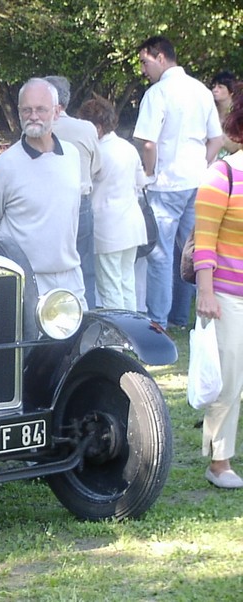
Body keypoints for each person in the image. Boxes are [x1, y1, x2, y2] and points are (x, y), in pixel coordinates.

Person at [132, 36, 224, 330]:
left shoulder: (158, 93)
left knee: (160, 256)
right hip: (197, 181)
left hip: (166, 183)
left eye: (145, 62)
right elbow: (217, 138)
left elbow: (148, 142)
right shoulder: (200, 90)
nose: (144, 70)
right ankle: (184, 318)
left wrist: (149, 173)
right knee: (192, 251)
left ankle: (158, 320)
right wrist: (204, 165)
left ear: (161, 57)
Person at [0, 78, 86, 308]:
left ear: (56, 112)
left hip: (70, 277)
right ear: (19, 113)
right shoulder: (5, 165)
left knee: (77, 343)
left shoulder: (72, 155)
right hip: (27, 281)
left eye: (41, 109)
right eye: (27, 110)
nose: (33, 116)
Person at [193, 82, 243, 488]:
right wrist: (206, 292)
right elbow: (204, 242)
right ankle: (219, 462)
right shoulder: (221, 173)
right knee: (230, 381)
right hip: (227, 295)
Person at [78, 97, 149, 310]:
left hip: (108, 227)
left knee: (109, 286)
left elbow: (84, 186)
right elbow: (140, 183)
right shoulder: (127, 147)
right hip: (133, 222)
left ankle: (119, 334)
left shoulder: (98, 152)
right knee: (127, 282)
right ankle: (133, 329)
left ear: (97, 127)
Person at [45, 76, 102, 308]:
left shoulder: (37, 130)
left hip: (49, 204)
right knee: (84, 265)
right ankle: (85, 315)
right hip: (81, 202)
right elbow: (97, 167)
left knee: (52, 266)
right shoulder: (86, 128)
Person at [210, 70, 241, 159]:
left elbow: (237, 148)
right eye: (214, 86)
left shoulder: (238, 115)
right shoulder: (211, 111)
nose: (215, 90)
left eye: (220, 87)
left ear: (231, 91)